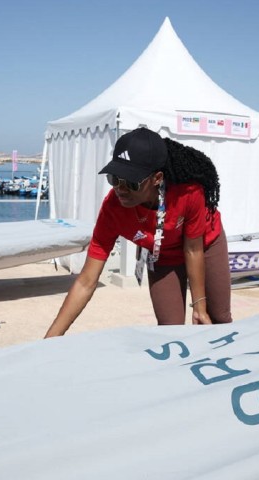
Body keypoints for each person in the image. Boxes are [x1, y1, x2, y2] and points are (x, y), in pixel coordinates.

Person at [44, 127, 232, 337]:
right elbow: (86, 281)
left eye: (131, 182)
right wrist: (50, 339)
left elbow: (193, 250)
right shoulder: (112, 208)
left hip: (203, 244)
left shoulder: (188, 192)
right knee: (170, 331)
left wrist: (199, 305)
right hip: (163, 254)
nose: (121, 190)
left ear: (157, 178)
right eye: (115, 179)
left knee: (218, 318)